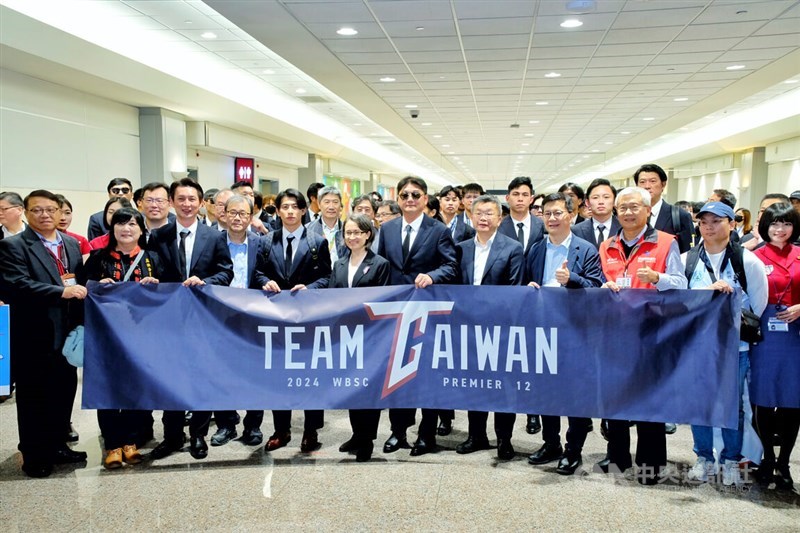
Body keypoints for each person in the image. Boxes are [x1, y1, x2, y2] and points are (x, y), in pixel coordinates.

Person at [596, 186, 688, 485]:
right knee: (617, 397)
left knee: (650, 400)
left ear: (648, 210)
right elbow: (603, 280)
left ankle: (651, 463)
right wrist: (603, 289)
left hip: (653, 333)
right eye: (622, 207)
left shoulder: (665, 243)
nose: (628, 212)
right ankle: (618, 457)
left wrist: (658, 279)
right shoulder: (607, 245)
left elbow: (680, 284)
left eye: (634, 206)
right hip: (616, 333)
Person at [0, 190, 88, 478]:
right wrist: (60, 292)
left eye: (52, 209)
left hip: (67, 333)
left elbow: (82, 284)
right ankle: (34, 453)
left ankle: (57, 445)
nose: (46, 215)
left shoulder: (72, 245)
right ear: (26, 212)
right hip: (34, 334)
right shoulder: (14, 246)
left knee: (64, 391)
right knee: (34, 396)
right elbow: (15, 286)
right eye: (37, 210)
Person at [147, 178, 233, 461]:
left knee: (200, 378)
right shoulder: (158, 236)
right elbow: (154, 271)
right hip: (170, 321)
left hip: (203, 319)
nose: (186, 204)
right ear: (172, 202)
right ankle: (171, 436)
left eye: (192, 199)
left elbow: (226, 272)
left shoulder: (215, 236)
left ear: (201, 203)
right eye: (181, 199)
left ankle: (198, 435)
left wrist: (205, 281)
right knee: (171, 379)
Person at [683, 202, 767, 486]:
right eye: (703, 221)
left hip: (734, 347)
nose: (709, 226)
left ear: (732, 224)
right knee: (699, 403)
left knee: (732, 405)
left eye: (716, 221)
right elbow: (680, 303)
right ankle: (704, 457)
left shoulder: (747, 261)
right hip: (697, 345)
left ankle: (731, 459)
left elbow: (758, 304)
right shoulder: (688, 259)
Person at [377, 176, 458, 456]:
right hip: (395, 315)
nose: (410, 199)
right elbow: (379, 267)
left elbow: (451, 266)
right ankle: (397, 432)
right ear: (398, 200)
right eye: (404, 195)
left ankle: (426, 435)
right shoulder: (386, 230)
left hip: (427, 315)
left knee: (426, 376)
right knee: (397, 377)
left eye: (415, 195)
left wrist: (432, 276)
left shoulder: (438, 230)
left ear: (425, 199)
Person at [524, 193, 604, 475]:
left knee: (575, 394)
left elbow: (597, 287)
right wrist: (529, 288)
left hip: (575, 332)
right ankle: (551, 443)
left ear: (571, 215)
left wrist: (573, 280)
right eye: (547, 214)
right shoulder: (535, 249)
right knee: (546, 392)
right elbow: (524, 283)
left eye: (558, 213)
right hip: (543, 330)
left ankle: (573, 450)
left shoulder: (586, 249)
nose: (552, 218)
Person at [80, 208, 164, 469]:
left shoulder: (153, 258)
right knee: (107, 389)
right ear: (112, 229)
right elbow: (82, 290)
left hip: (142, 337)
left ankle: (131, 441)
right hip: (106, 338)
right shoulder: (97, 259)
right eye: (120, 224)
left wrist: (157, 285)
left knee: (134, 388)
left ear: (141, 229)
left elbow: (171, 293)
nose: (126, 229)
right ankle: (112, 445)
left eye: (132, 224)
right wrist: (96, 286)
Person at [253, 188, 331, 453]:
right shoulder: (267, 241)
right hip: (276, 318)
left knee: (310, 375)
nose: (288, 212)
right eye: (283, 207)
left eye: (293, 207)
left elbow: (327, 278)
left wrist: (311, 288)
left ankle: (311, 431)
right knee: (279, 374)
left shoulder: (316, 242)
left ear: (302, 210)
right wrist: (266, 282)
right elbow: (258, 273)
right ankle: (281, 430)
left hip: (307, 319)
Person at [454, 195, 523, 461]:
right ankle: (477, 435)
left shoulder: (512, 248)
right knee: (475, 383)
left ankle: (504, 439)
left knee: (503, 385)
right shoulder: (460, 248)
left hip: (500, 328)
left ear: (499, 218)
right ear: (471, 216)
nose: (483, 218)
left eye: (489, 213)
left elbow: (515, 290)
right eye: (478, 213)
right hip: (468, 328)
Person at [210, 195, 268, 448]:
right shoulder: (212, 242)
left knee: (256, 373)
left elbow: (266, 273)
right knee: (221, 371)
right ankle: (225, 425)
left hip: (253, 316)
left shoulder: (261, 244)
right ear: (223, 213)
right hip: (219, 316)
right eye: (232, 212)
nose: (237, 218)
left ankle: (253, 426)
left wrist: (267, 282)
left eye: (243, 214)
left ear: (251, 216)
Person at [332, 214, 390, 462]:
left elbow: (384, 300)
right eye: (348, 232)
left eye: (357, 232)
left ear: (368, 235)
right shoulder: (339, 264)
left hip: (370, 336)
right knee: (351, 387)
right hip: (346, 335)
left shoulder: (379, 264)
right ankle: (356, 434)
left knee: (368, 388)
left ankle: (367, 439)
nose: (352, 237)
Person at [750, 202, 800, 490]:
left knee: (793, 400)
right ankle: (767, 458)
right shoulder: (754, 256)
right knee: (764, 397)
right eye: (774, 224)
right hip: (765, 334)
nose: (780, 230)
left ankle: (785, 462)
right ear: (765, 225)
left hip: (795, 333)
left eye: (786, 223)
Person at [499, 176, 546, 434]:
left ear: (531, 198)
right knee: (509, 360)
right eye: (515, 193)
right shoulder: (499, 225)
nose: (519, 198)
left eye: (524, 194)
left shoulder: (542, 225)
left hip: (538, 300)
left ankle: (533, 412)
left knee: (533, 359)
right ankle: (507, 408)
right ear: (508, 198)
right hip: (508, 302)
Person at [633, 164, 693, 253]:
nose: (647, 186)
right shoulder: (629, 215)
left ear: (663, 184)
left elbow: (687, 252)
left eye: (653, 181)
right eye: (642, 182)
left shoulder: (679, 215)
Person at [572, 178, 620, 249]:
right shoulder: (576, 231)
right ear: (587, 202)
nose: (601, 201)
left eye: (606, 197)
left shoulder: (624, 227)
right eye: (595, 197)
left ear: (614, 201)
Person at [306, 186, 346, 263]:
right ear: (319, 204)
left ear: (340, 205)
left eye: (335, 202)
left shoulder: (347, 229)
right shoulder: (308, 229)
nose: (331, 207)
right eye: (327, 202)